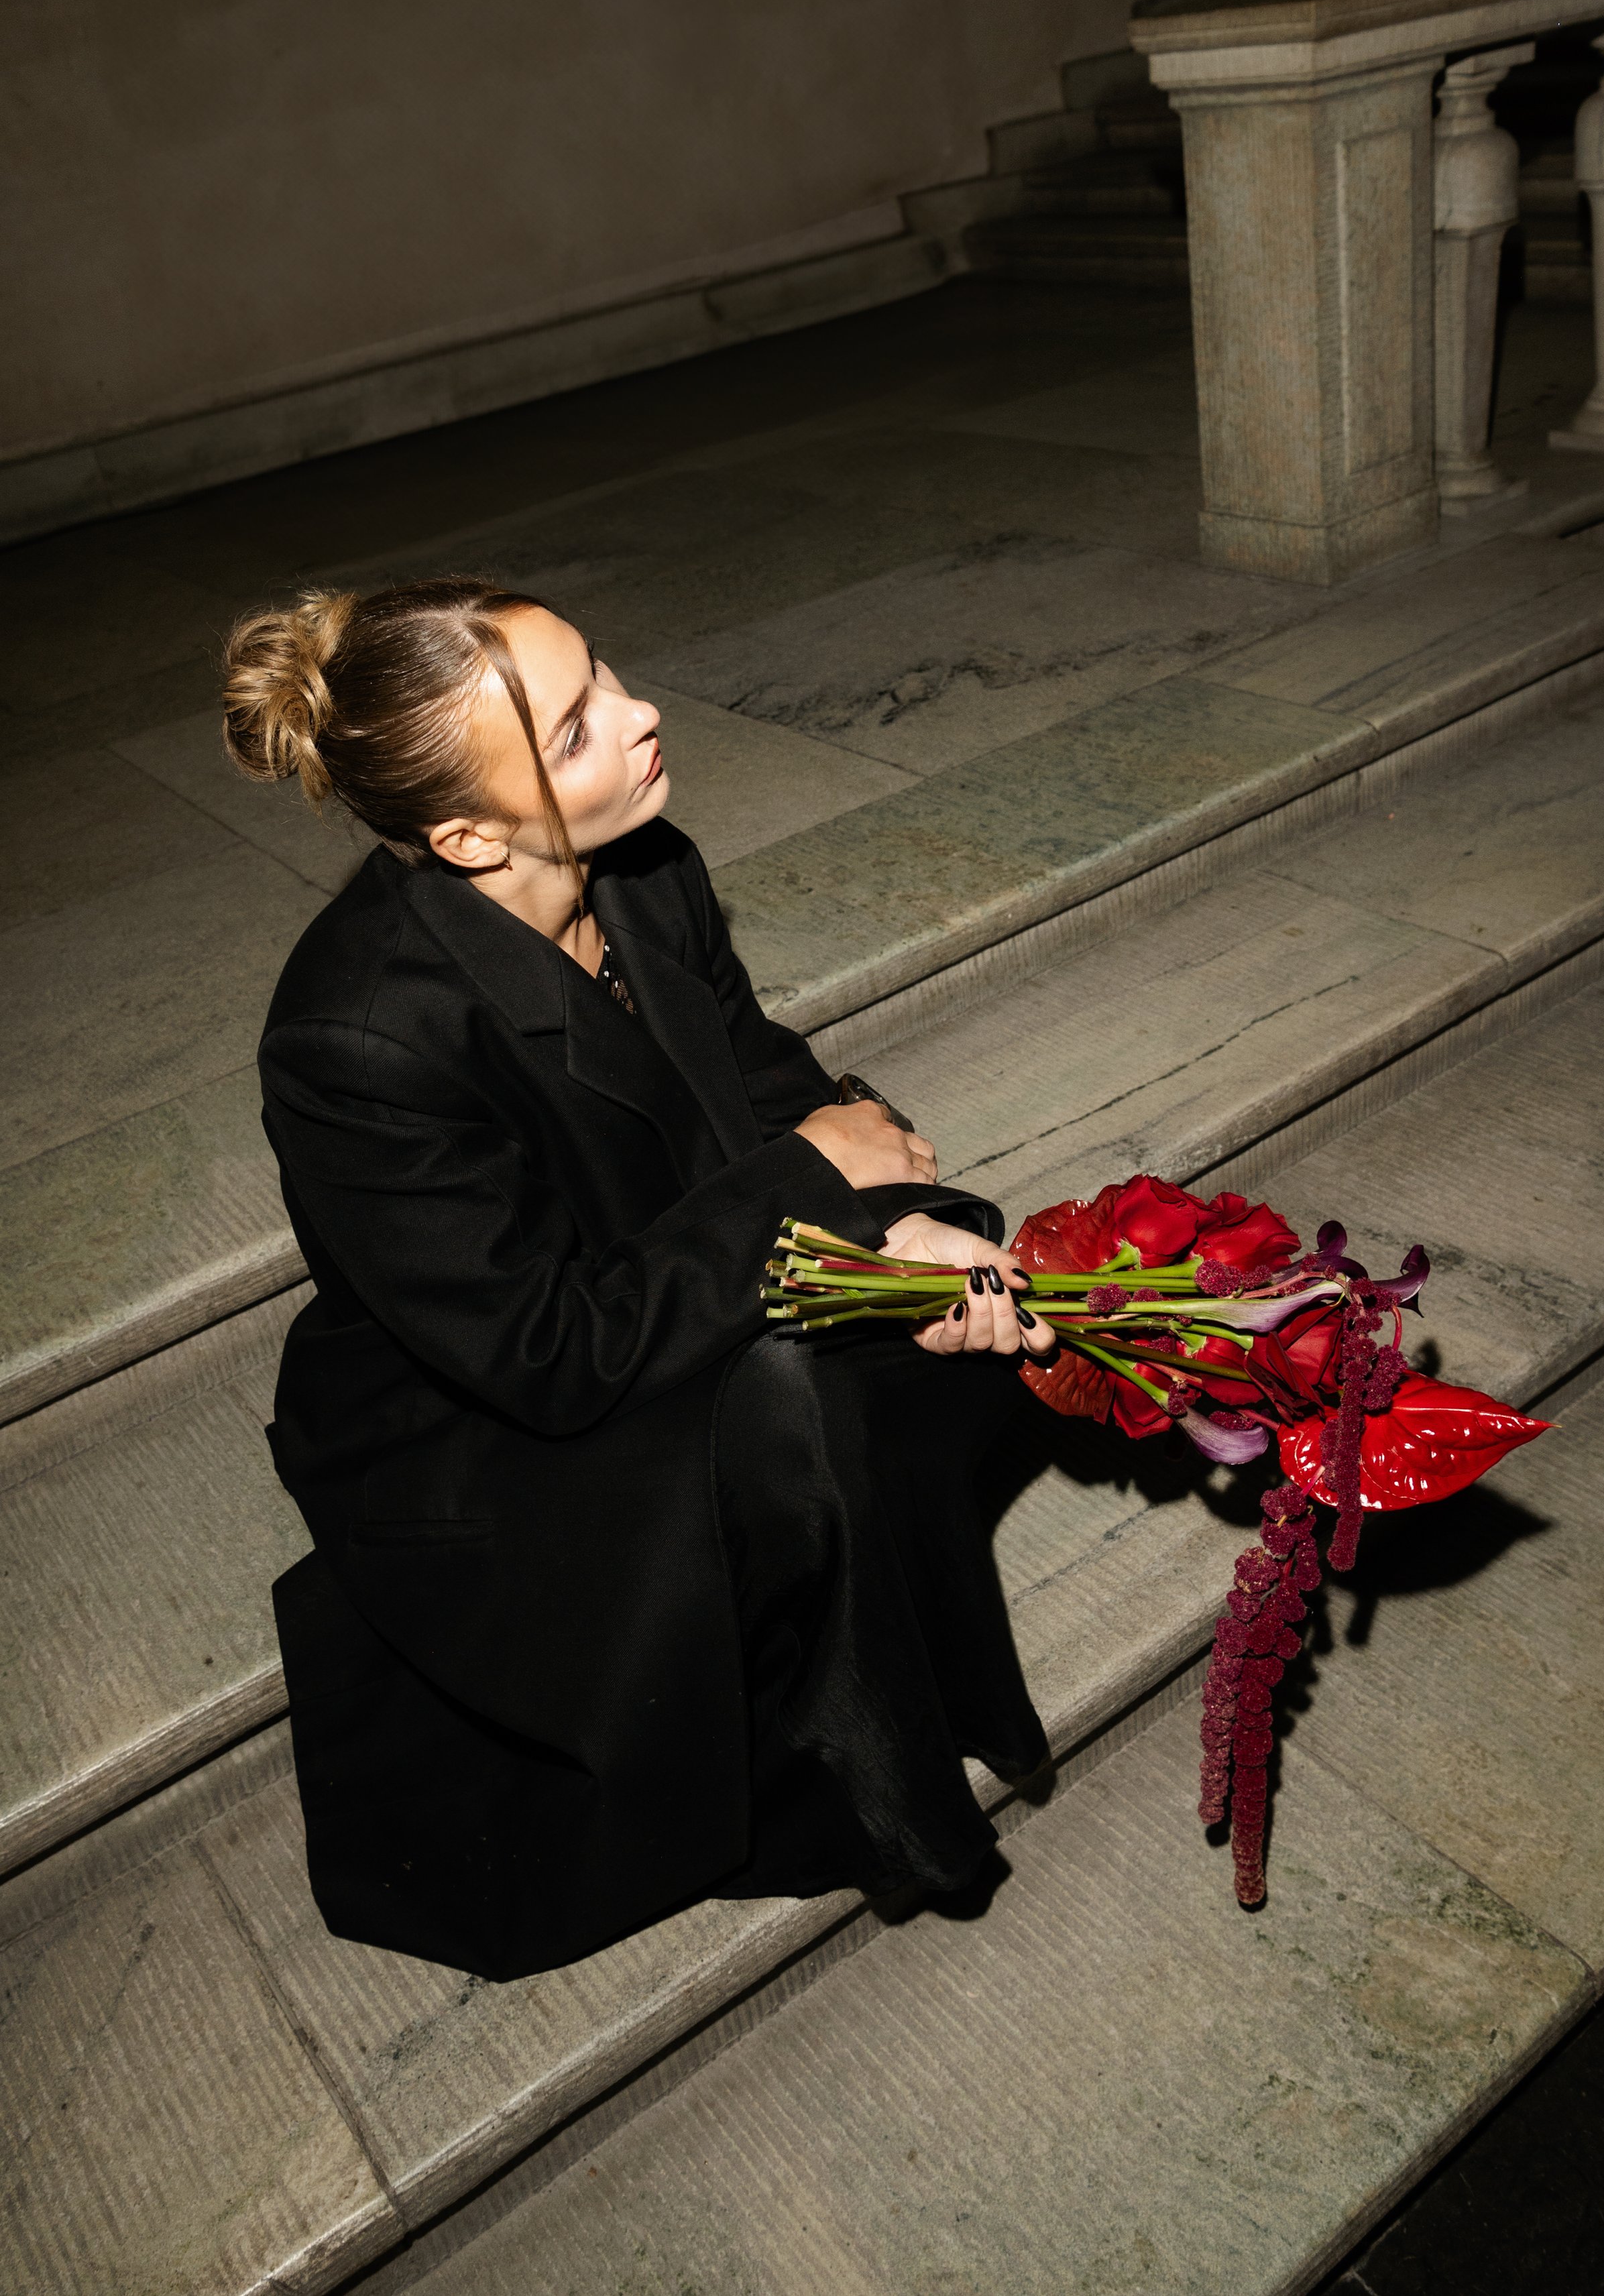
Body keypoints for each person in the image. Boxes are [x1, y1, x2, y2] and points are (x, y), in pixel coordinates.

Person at [223, 576, 1055, 1982]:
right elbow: (549, 1351)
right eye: (572, 730)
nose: (640, 715)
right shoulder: (356, 1038)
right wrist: (812, 1181)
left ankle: (890, 1620)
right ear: (467, 835)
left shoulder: (646, 872)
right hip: (485, 1412)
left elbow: (754, 1078)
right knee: (792, 1396)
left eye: (604, 671)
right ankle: (856, 1790)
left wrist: (887, 1219)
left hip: (650, 1277)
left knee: (946, 1246)